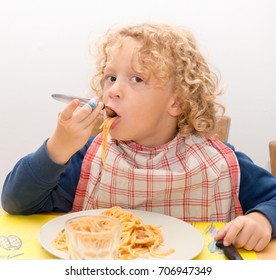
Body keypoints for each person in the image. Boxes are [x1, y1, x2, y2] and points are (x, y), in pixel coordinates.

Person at [2, 23, 276, 253]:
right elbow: (16, 203)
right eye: (110, 77)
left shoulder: (219, 163)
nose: (113, 91)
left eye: (136, 79)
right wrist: (57, 149)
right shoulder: (89, 159)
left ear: (176, 102)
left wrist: (263, 220)